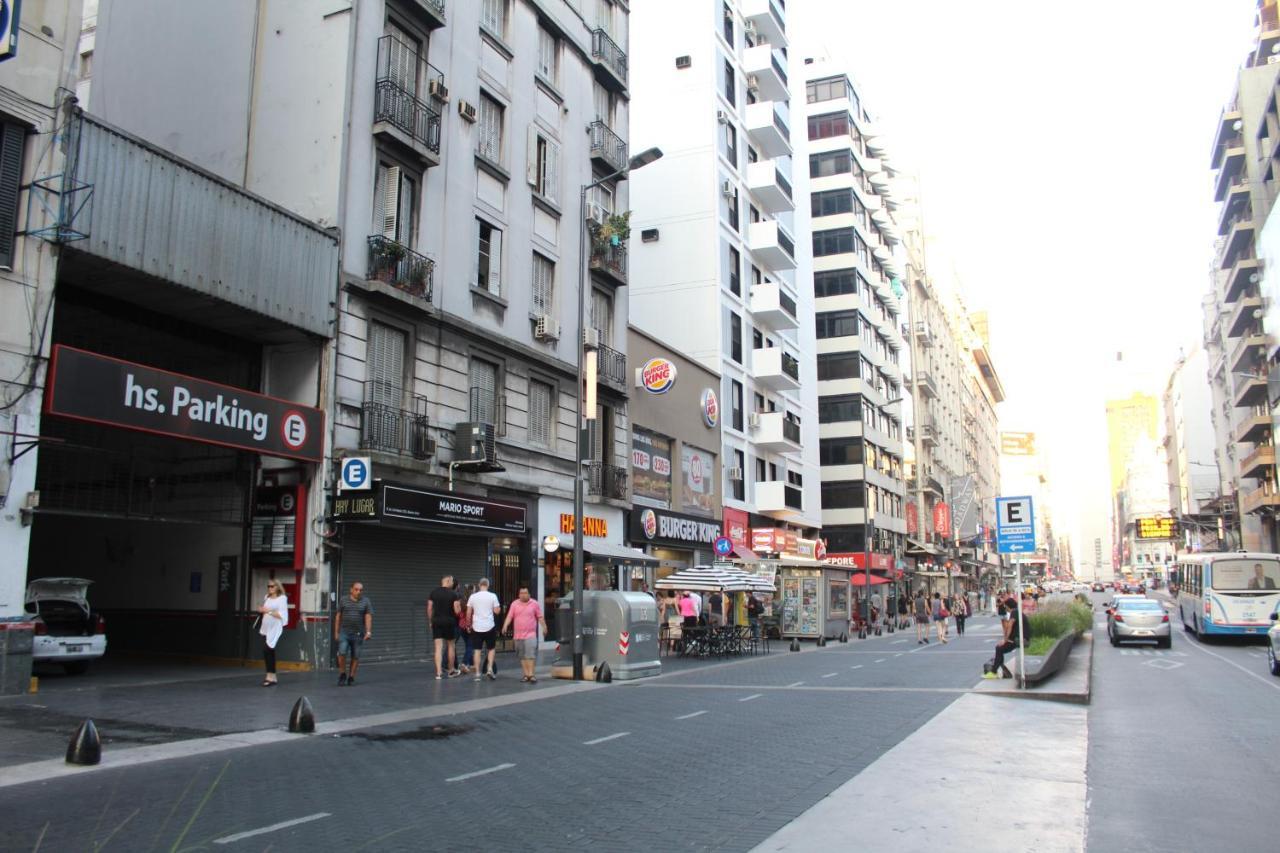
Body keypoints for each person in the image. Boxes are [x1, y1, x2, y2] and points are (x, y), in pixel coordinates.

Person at [502, 585, 547, 683]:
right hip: (518, 635)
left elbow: (540, 617)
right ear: (519, 594)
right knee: (522, 656)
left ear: (529, 594)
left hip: (530, 635)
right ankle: (526, 675)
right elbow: (510, 616)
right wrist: (505, 625)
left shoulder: (534, 603)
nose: (523, 595)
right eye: (521, 593)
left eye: (525, 593)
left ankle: (531, 675)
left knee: (530, 655)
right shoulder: (514, 604)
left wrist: (544, 627)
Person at [335, 581, 372, 686]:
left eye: (360, 590)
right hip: (344, 632)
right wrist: (336, 632)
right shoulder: (343, 600)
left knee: (355, 656)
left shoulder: (366, 601)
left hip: (358, 633)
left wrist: (368, 631)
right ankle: (342, 674)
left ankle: (351, 677)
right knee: (342, 653)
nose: (358, 592)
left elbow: (368, 616)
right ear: (351, 590)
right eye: (356, 589)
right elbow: (338, 616)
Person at [427, 575, 462, 680]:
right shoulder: (454, 594)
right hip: (449, 622)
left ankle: (438, 673)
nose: (452, 583)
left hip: (436, 622)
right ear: (447, 581)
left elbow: (429, 608)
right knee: (451, 645)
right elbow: (457, 611)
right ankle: (451, 671)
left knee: (438, 647)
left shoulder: (433, 593)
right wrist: (459, 607)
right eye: (451, 581)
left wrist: (430, 621)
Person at [467, 578, 502, 681]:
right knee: (491, 649)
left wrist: (468, 625)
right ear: (488, 585)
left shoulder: (473, 596)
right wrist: (496, 608)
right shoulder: (493, 596)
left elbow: (468, 612)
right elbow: (497, 611)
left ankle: (477, 674)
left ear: (479, 585)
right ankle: (490, 669)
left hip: (477, 627)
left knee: (477, 650)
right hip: (489, 626)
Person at [258, 580, 289, 687]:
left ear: (277, 587)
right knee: (267, 651)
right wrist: (262, 611)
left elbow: (282, 614)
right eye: (268, 586)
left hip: (274, 627)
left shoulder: (282, 599)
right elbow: (265, 610)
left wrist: (267, 611)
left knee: (268, 649)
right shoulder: (266, 597)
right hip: (265, 627)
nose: (270, 588)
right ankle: (271, 675)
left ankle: (270, 676)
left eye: (272, 586)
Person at [984, 597, 1023, 679]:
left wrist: (1005, 640)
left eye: (1006, 606)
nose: (1005, 608)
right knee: (999, 648)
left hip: (1019, 640)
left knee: (999, 648)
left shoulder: (1014, 612)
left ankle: (994, 672)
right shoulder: (1016, 611)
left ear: (1009, 606)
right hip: (1017, 638)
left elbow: (1010, 625)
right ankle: (1003, 672)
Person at [456, 583, 477, 674]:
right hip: (470, 626)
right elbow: (472, 615)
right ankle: (464, 664)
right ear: (473, 591)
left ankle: (472, 665)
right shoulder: (473, 602)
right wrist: (469, 625)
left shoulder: (461, 601)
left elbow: (458, 613)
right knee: (470, 646)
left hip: (461, 626)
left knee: (468, 645)